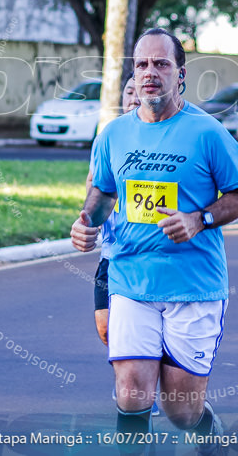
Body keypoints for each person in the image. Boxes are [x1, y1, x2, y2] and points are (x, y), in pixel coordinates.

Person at [70, 28, 238, 450]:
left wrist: (199, 219)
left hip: (193, 284)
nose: (150, 73)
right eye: (142, 64)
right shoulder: (114, 134)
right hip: (131, 278)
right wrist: (87, 224)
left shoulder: (207, 133)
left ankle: (209, 433)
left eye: (161, 64)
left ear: (180, 74)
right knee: (132, 390)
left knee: (180, 410)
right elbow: (102, 192)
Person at [90, 76, 142, 347]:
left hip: (148, 254)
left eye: (138, 92)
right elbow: (94, 186)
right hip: (113, 252)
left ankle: (135, 380)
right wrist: (88, 221)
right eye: (128, 91)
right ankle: (127, 382)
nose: (133, 97)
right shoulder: (108, 138)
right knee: (107, 329)